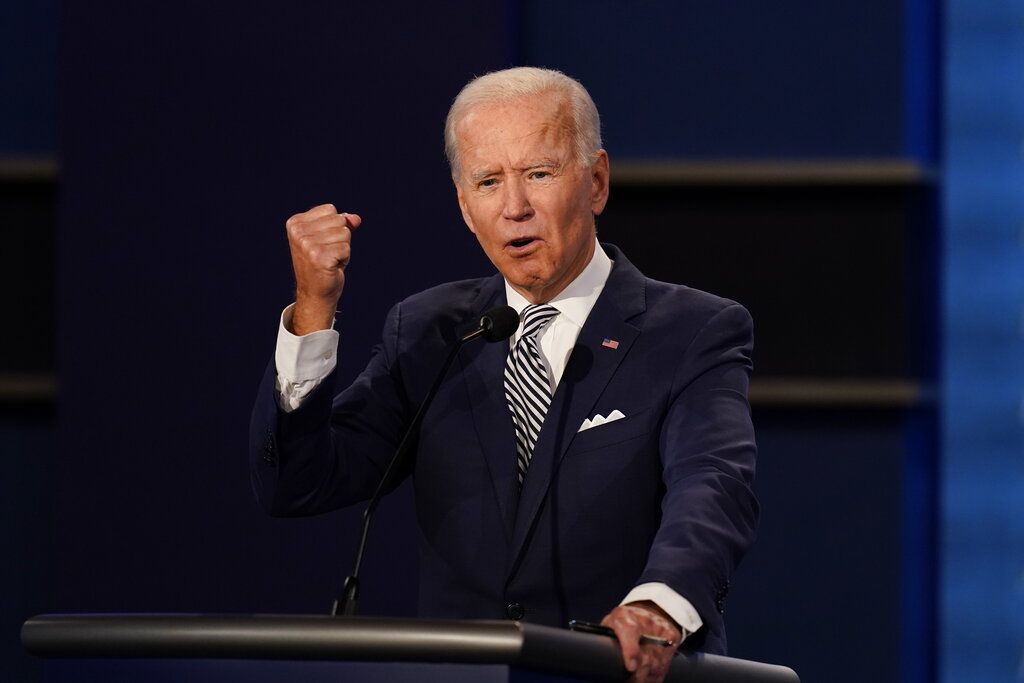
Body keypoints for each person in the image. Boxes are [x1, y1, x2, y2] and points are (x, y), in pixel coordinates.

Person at [250, 67, 758, 683]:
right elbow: (299, 484)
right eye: (489, 182)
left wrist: (661, 603)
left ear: (596, 181)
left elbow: (713, 486)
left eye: (538, 174)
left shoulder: (692, 331)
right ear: (466, 208)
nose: (514, 208)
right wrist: (313, 310)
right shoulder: (430, 330)